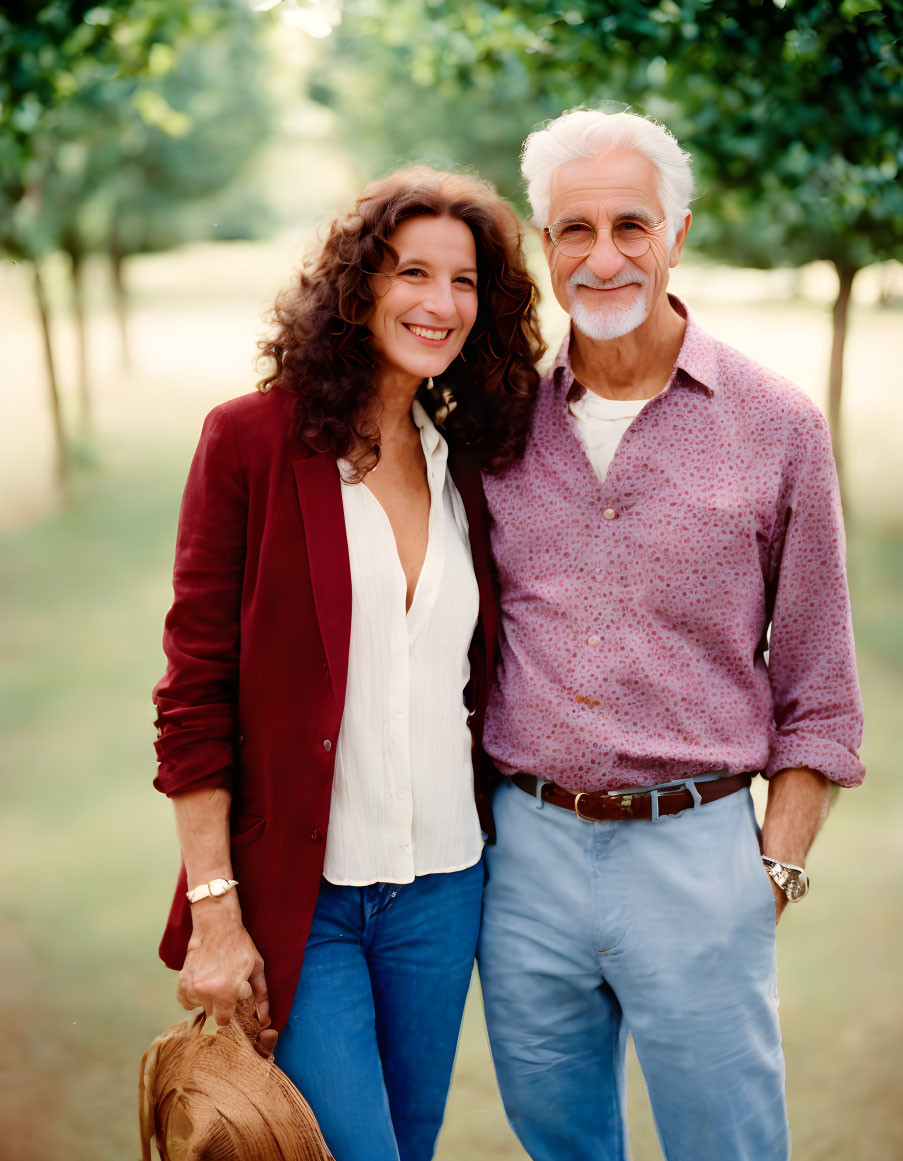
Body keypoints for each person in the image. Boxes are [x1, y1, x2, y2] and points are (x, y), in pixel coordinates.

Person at [477, 108, 865, 1161]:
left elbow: (822, 694)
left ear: (679, 235)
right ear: (542, 244)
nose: (603, 258)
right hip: (525, 861)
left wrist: (771, 872)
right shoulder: (491, 423)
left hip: (699, 856)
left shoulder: (779, 426)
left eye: (631, 227)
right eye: (574, 231)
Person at [152, 165, 543, 1161]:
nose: (440, 303)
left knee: (409, 1145)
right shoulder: (251, 441)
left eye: (466, 284)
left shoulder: (465, 460)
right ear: (360, 285)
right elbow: (193, 688)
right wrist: (214, 909)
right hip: (306, 893)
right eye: (413, 272)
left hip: (445, 888)